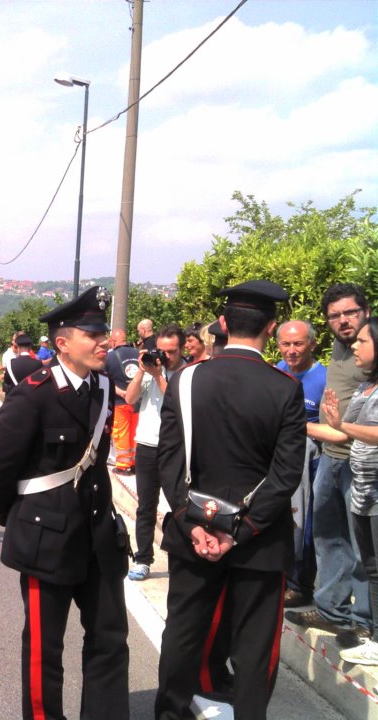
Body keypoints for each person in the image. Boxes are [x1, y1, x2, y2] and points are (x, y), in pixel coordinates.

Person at [154, 280, 305, 720]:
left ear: (222, 324)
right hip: (260, 538)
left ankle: (170, 713)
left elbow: (168, 460)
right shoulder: (283, 388)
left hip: (192, 533)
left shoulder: (185, 379)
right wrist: (241, 529)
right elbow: (286, 474)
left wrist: (191, 520)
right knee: (256, 644)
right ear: (272, 327)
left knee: (183, 631)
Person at [0, 286, 129, 720]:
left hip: (98, 533)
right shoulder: (33, 394)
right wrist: (20, 520)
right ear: (62, 343)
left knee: (109, 636)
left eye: (104, 334)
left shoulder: (103, 387)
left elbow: (98, 462)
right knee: (46, 647)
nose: (104, 342)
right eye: (93, 336)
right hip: (46, 537)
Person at [286, 283, 372, 645]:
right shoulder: (341, 350)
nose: (343, 320)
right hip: (330, 458)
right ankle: (331, 610)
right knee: (327, 537)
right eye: (335, 315)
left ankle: (363, 619)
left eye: (350, 312)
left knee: (362, 547)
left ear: (365, 310)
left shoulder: (372, 349)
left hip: (362, 461)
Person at [321, 316, 378, 665]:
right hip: (363, 492)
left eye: (363, 341)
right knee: (371, 568)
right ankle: (373, 636)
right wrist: (300, 425)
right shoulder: (365, 387)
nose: (354, 346)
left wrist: (342, 423)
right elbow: (343, 434)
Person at [123, 322, 186, 581]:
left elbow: (176, 401)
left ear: (182, 349)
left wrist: (159, 375)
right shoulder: (149, 371)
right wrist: (141, 372)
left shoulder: (188, 373)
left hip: (175, 448)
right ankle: (143, 558)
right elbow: (129, 399)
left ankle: (182, 557)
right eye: (160, 350)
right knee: (146, 507)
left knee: (180, 506)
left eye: (171, 351)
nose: (164, 356)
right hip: (147, 445)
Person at [275, 319, 327, 608]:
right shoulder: (277, 373)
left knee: (304, 522)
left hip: (312, 463)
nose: (292, 350)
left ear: (312, 344)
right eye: (286, 344)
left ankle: (299, 584)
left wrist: (295, 427)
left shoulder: (324, 378)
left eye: (298, 343)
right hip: (278, 460)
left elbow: (334, 429)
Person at [105, 328, 140, 475]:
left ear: (113, 341)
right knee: (135, 433)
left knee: (121, 432)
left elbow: (105, 378)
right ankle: (136, 463)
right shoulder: (138, 354)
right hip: (138, 401)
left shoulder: (109, 357)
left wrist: (120, 392)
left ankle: (123, 465)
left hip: (120, 401)